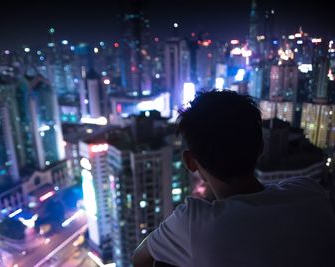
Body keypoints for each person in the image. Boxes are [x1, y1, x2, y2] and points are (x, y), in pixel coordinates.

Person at [133, 90, 335, 267]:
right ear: (261, 147)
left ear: (190, 162)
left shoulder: (194, 223)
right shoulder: (310, 193)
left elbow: (140, 259)